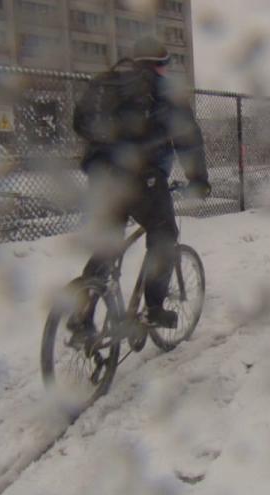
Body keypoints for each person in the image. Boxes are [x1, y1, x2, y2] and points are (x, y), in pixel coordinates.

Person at [69, 36, 210, 338]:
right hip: (141, 177)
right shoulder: (164, 91)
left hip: (100, 175)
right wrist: (198, 179)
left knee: (108, 243)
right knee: (164, 235)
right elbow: (187, 139)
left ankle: (83, 309)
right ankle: (154, 308)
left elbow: (79, 123)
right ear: (161, 65)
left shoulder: (107, 82)